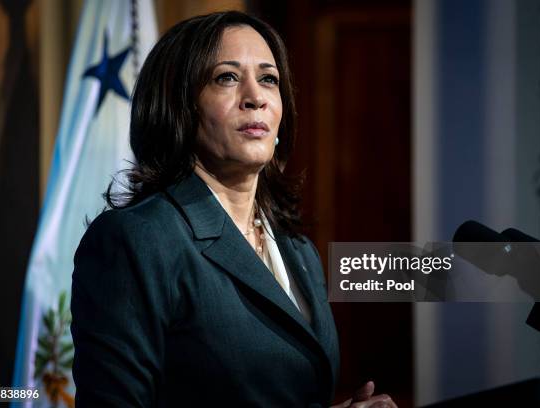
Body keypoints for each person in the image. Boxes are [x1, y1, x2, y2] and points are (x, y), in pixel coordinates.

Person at [70, 11, 397, 408]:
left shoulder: (299, 252)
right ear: (179, 106)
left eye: (268, 79)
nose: (255, 97)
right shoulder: (138, 239)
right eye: (226, 77)